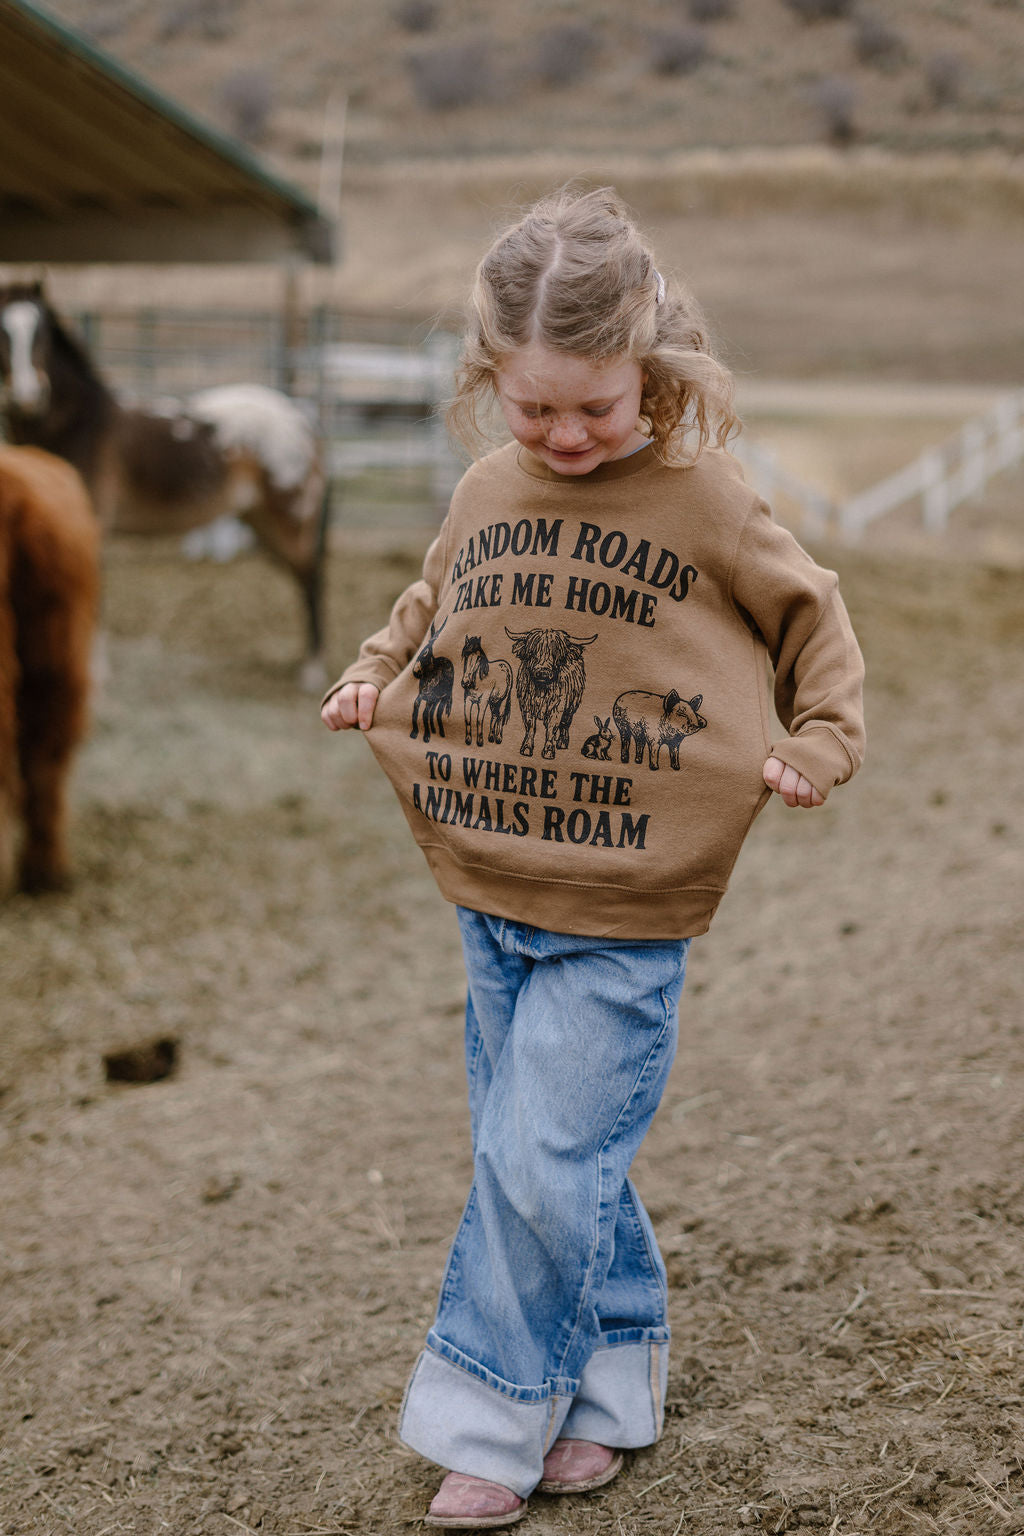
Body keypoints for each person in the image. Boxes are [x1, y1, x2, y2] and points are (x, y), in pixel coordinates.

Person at [321, 186, 865, 1529]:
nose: (566, 435)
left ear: (654, 373)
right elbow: (431, 601)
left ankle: (490, 1418)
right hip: (493, 882)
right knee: (549, 1158)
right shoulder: (485, 488)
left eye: (597, 409)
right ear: (489, 380)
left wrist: (823, 737)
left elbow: (814, 615)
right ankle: (608, 1391)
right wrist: (375, 671)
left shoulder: (706, 499)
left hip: (628, 903)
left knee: (539, 1159)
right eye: (535, 409)